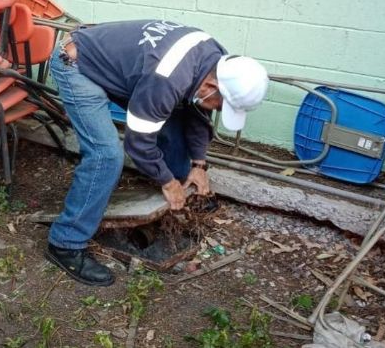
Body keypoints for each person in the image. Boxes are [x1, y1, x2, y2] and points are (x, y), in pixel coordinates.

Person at [45, 20, 269, 286]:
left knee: (175, 119)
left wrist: (199, 164)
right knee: (106, 155)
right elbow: (138, 142)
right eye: (222, 105)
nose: (219, 110)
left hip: (125, 67)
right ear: (211, 86)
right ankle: (66, 242)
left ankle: (175, 197)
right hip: (77, 66)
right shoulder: (166, 79)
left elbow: (197, 113)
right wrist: (167, 181)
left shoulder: (217, 61)